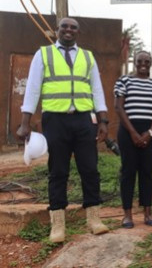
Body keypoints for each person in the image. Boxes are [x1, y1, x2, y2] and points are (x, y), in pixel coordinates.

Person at [16, 17, 110, 243]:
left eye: (73, 28)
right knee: (58, 171)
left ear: (78, 32)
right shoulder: (44, 54)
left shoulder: (88, 57)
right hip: (55, 121)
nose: (68, 30)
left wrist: (103, 120)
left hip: (83, 120)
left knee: (89, 168)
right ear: (56, 31)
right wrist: (24, 122)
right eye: (64, 27)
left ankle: (94, 219)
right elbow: (33, 89)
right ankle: (58, 224)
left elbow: (96, 89)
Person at [114, 51, 152, 228]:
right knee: (128, 172)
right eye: (139, 61)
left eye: (146, 61)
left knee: (146, 172)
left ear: (151, 63)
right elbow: (119, 107)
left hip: (148, 133)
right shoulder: (124, 81)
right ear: (134, 62)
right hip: (128, 131)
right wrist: (133, 133)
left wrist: (150, 132)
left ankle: (147, 213)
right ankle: (127, 215)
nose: (143, 64)